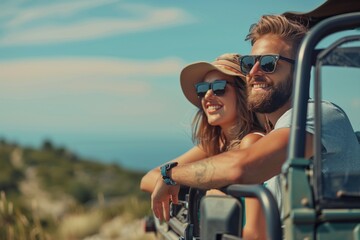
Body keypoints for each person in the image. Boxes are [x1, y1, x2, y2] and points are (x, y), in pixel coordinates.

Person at [150, 14, 359, 233]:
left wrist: (171, 175)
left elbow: (244, 166)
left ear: (299, 71)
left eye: (269, 63)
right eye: (249, 63)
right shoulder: (276, 133)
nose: (253, 72)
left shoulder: (319, 114)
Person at [141, 53, 269, 239]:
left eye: (219, 88)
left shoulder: (252, 143)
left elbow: (255, 233)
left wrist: (204, 188)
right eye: (202, 89)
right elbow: (148, 179)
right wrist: (193, 188)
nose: (208, 95)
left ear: (243, 93)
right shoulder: (215, 145)